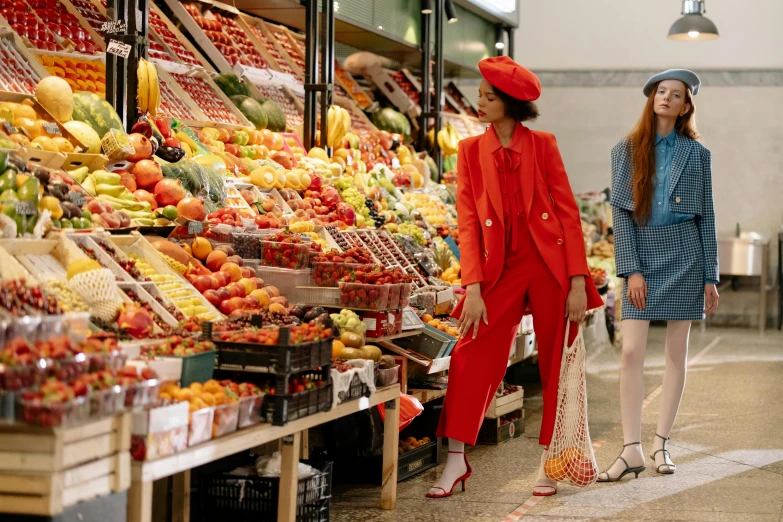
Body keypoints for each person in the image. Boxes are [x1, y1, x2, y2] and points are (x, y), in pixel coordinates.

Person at [427, 56, 603, 499]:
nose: (480, 103)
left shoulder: (544, 145)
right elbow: (467, 222)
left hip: (550, 267)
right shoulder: (469, 151)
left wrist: (579, 281)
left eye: (489, 97)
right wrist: (472, 286)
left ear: (511, 103)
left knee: (556, 362)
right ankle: (454, 460)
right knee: (469, 354)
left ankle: (552, 459)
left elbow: (566, 214)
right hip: (496, 271)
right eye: (481, 95)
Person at [598, 69, 719, 482]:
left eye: (676, 94)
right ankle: (631, 448)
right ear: (652, 99)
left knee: (675, 354)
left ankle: (661, 442)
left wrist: (710, 274)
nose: (665, 98)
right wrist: (631, 269)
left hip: (686, 253)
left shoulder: (698, 154)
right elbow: (620, 212)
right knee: (631, 352)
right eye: (660, 92)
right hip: (642, 253)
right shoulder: (626, 149)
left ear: (686, 106)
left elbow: (707, 216)